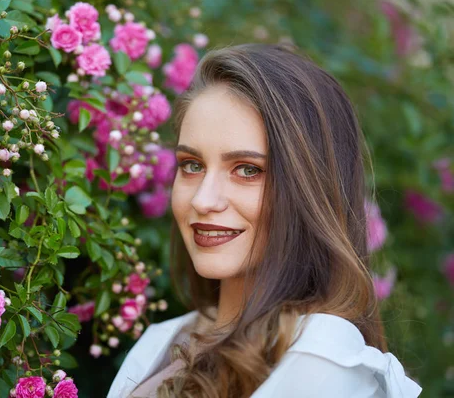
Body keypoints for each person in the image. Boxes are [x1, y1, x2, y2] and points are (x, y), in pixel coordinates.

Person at [107, 43, 422, 398]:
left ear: (310, 189)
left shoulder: (322, 358)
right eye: (192, 166)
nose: (203, 200)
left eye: (247, 170)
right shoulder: (161, 342)